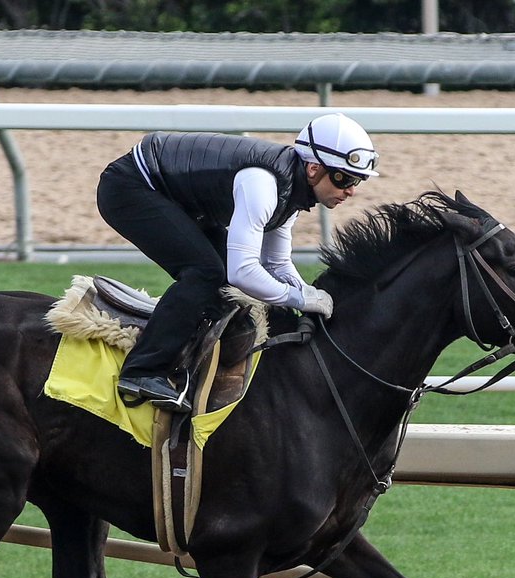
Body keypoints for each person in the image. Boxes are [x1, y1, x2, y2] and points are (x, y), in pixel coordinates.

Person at [97, 112, 380, 413]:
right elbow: (244, 271)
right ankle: (142, 372)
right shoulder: (263, 184)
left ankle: (190, 355)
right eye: (344, 178)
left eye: (357, 181)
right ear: (313, 168)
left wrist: (308, 296)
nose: (350, 190)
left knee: (222, 281)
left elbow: (276, 264)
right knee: (207, 273)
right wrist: (302, 298)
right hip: (131, 187)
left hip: (175, 196)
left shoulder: (291, 193)